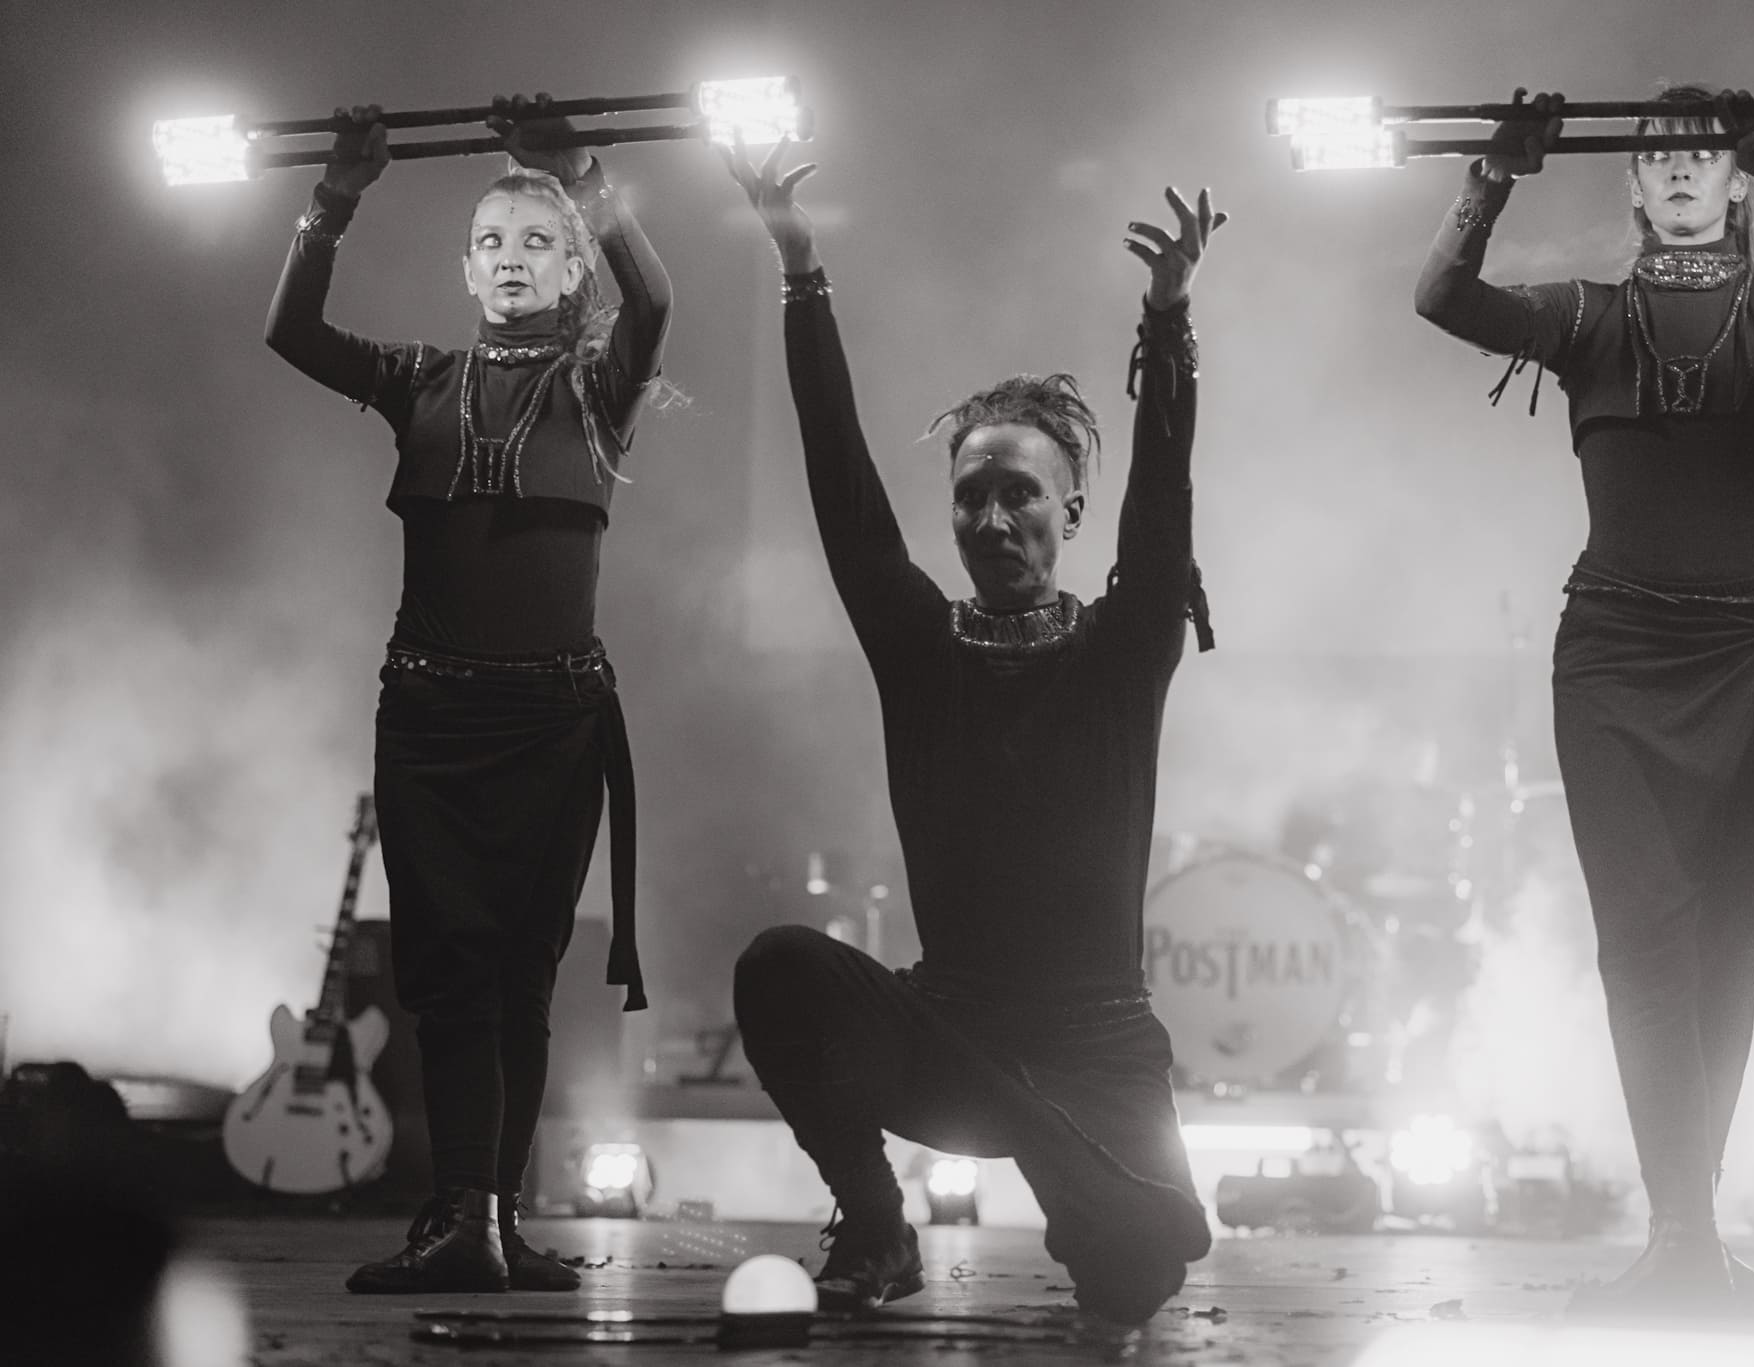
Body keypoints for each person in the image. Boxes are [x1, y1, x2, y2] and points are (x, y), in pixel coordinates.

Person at [1414, 85, 1754, 1316]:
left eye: (1704, 152)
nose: (1683, 166)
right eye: (1659, 154)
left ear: (1733, 180)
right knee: (1640, 942)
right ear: (1633, 186)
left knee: (1727, 953)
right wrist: (1492, 177)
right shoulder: (1585, 316)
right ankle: (1677, 1235)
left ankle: (1693, 1234)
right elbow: (1442, 298)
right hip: (1616, 659)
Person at [720, 137, 1223, 1325]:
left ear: (1070, 511)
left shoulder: (1124, 644)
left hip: (1096, 1048)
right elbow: (839, 481)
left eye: (1019, 493)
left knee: (1136, 1274)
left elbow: (1163, 500)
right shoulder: (917, 644)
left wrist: (1166, 322)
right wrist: (799, 271)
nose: (992, 517)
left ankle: (1092, 1187)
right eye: (970, 495)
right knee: (780, 965)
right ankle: (875, 1220)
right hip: (952, 1038)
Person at [264, 95, 672, 1293]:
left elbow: (653, 302)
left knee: (520, 975)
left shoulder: (599, 388)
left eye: (537, 242)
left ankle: (491, 1217)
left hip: (552, 724)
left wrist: (583, 176)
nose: (510, 259)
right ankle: (462, 1215)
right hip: (431, 721)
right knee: (445, 974)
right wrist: (333, 198)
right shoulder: (417, 379)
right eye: (490, 241)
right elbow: (290, 329)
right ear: (464, 267)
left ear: (573, 268)